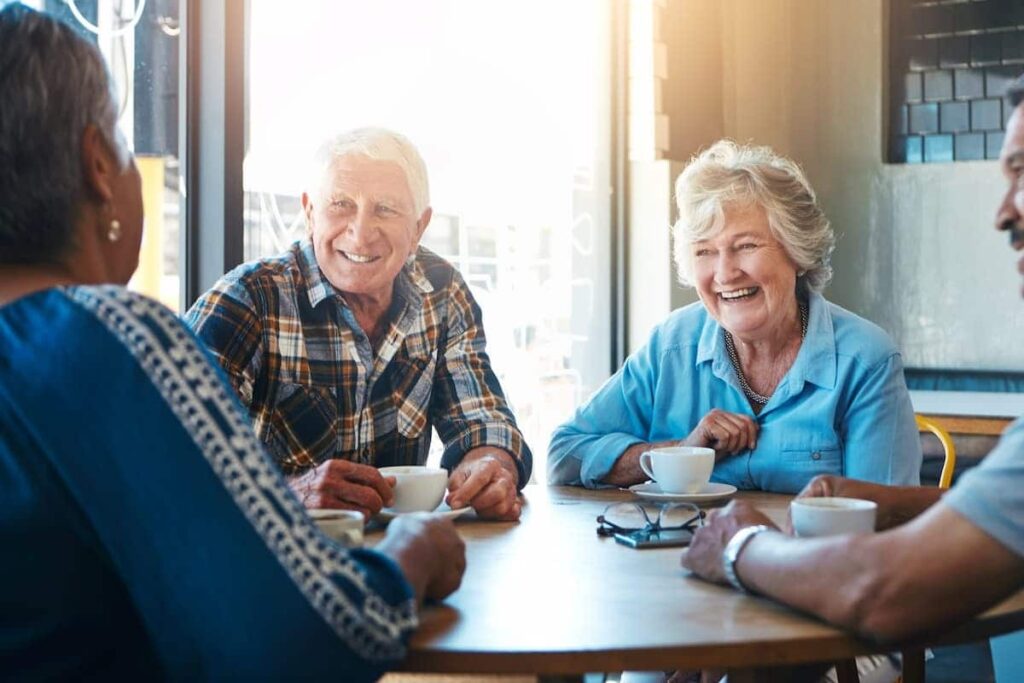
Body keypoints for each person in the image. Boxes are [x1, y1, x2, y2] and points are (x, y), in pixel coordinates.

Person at [0, 5, 465, 679]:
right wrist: (413, 551)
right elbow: (303, 640)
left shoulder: (440, 292)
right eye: (129, 150)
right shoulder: (112, 341)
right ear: (99, 166)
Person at [681, 77, 1024, 643]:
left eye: (1022, 173)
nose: (1003, 213)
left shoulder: (864, 354)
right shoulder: (671, 341)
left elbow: (882, 590)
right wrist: (894, 503)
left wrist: (740, 545)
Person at [185, 128, 531, 520]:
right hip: (265, 563)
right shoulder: (246, 299)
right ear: (310, 213)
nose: (361, 232)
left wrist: (491, 464)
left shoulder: (442, 290)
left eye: (385, 209)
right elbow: (163, 455)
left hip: (403, 559)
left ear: (419, 226)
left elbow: (484, 422)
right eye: (341, 204)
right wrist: (285, 495)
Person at [548, 141, 921, 493]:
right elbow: (564, 455)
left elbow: (883, 520)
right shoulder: (672, 347)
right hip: (675, 559)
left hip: (809, 559)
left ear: (796, 250)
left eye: (745, 246)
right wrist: (681, 452)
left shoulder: (864, 360)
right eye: (705, 251)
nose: (725, 273)